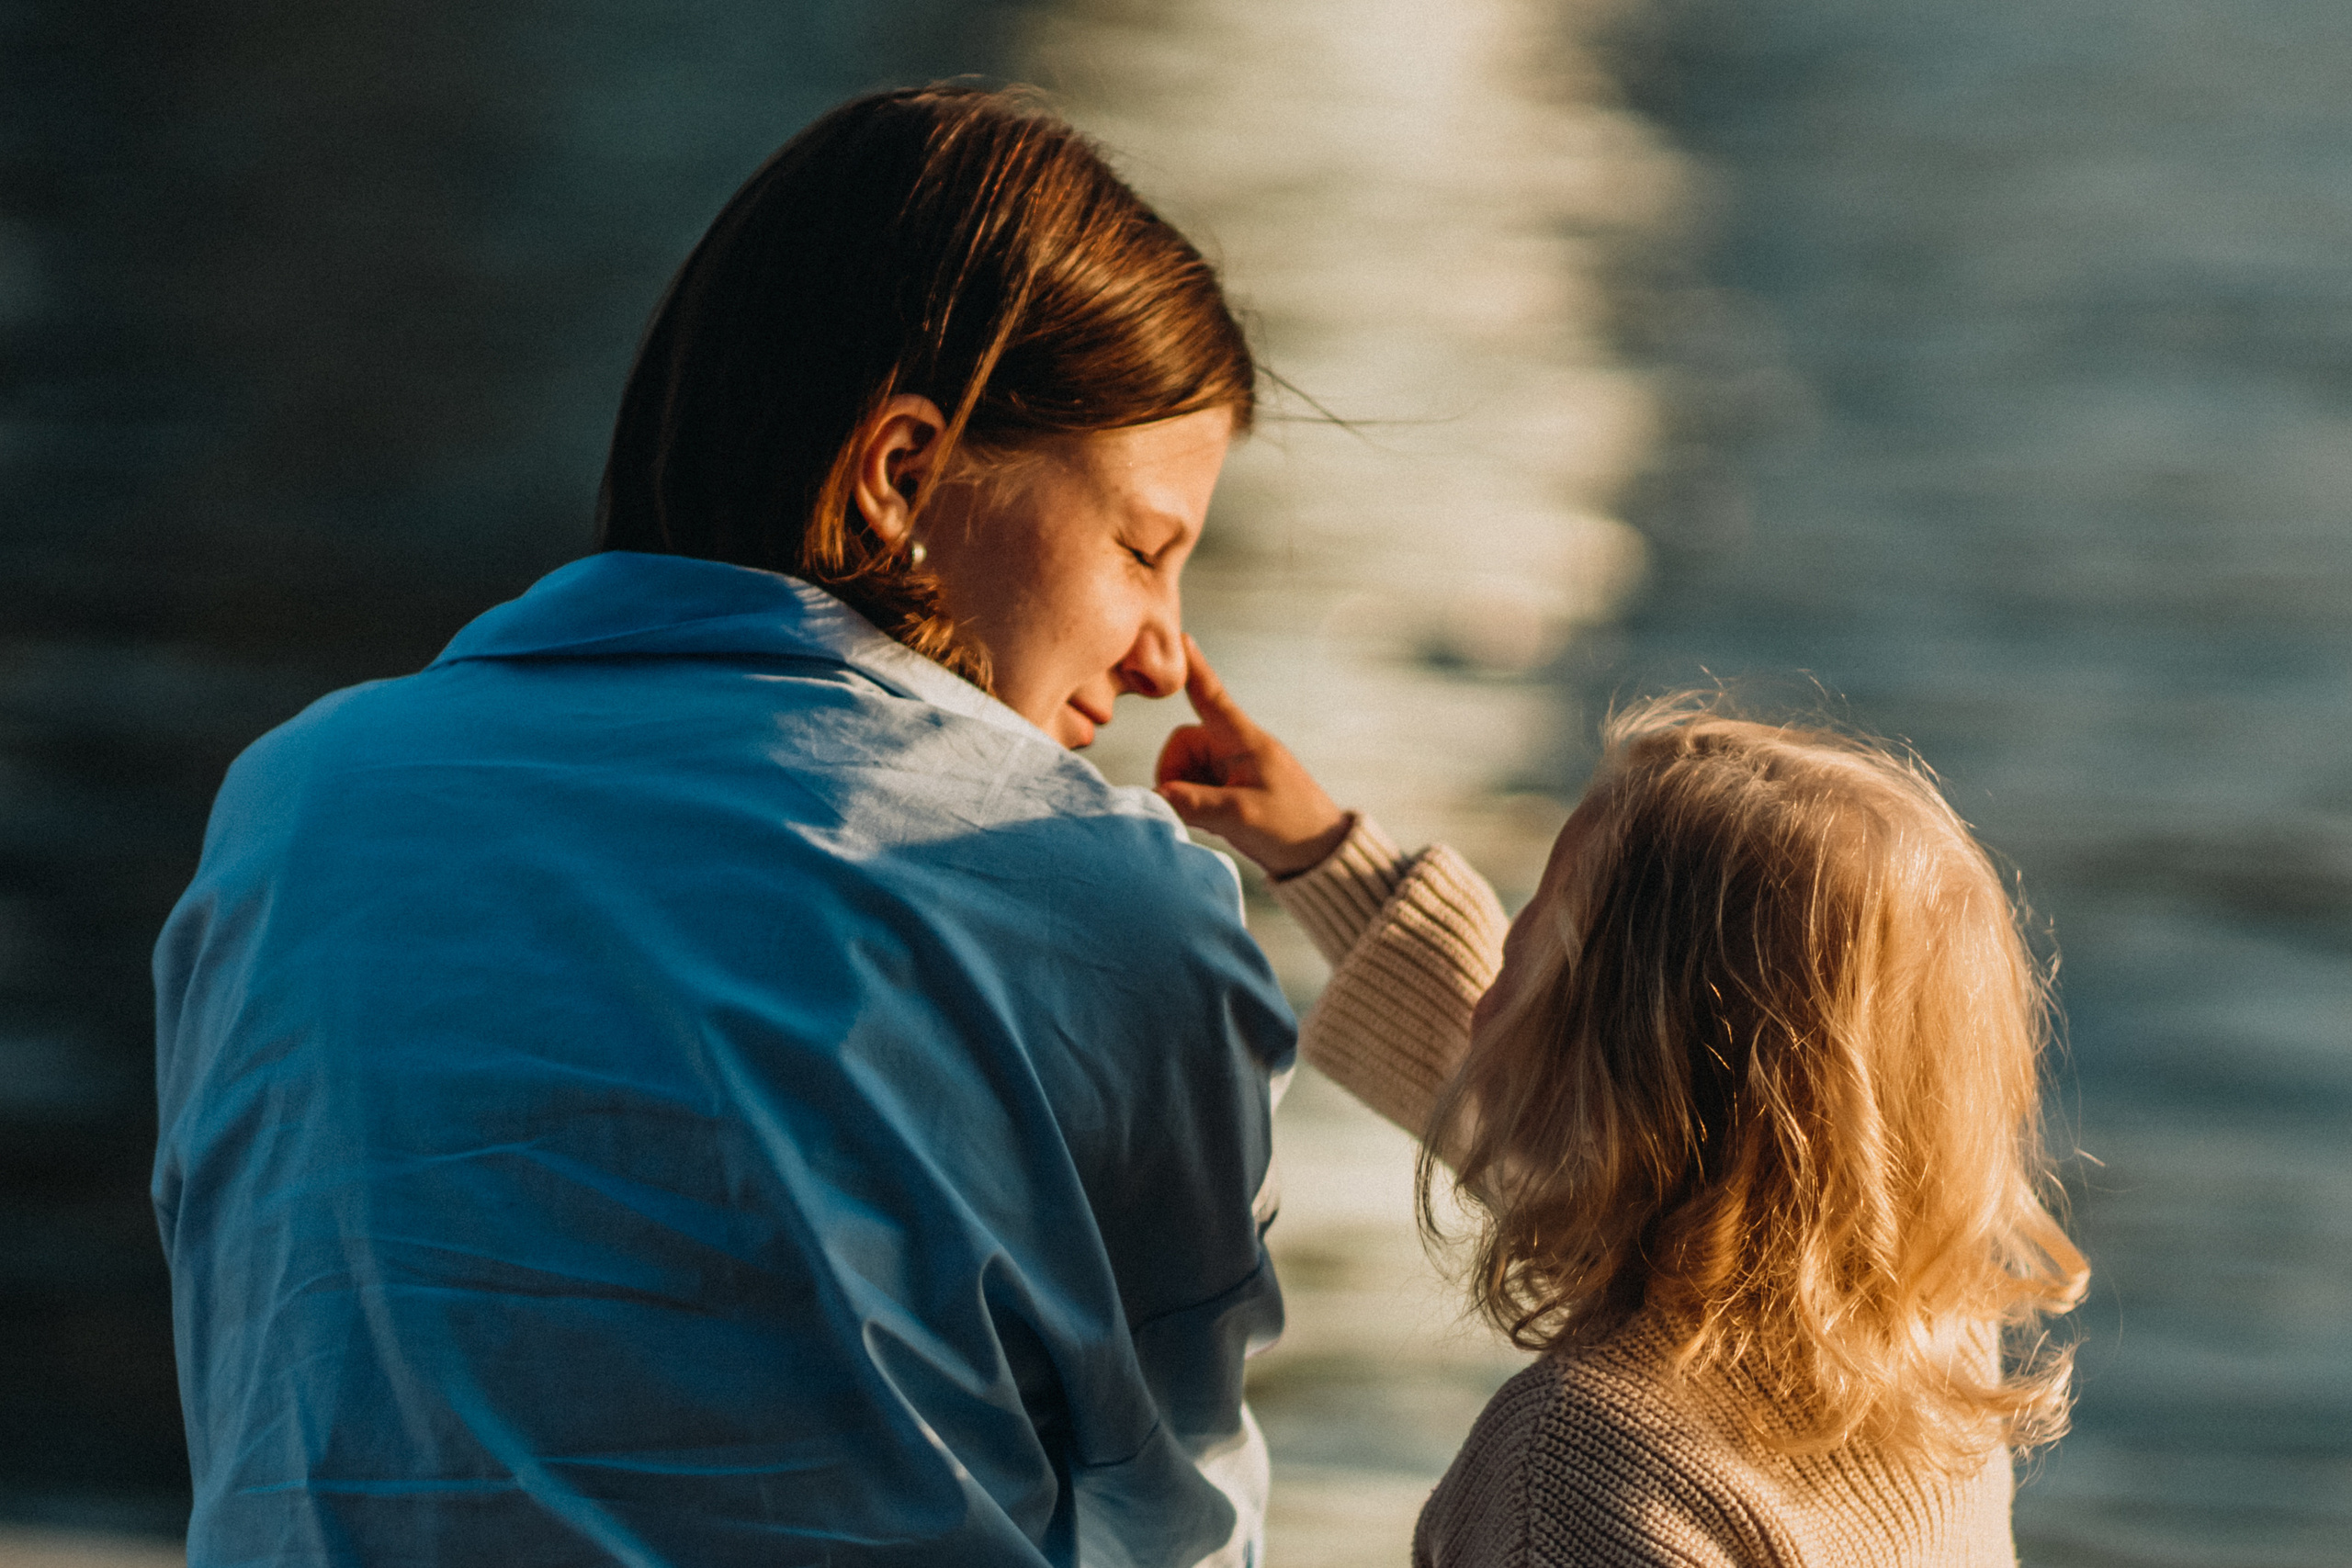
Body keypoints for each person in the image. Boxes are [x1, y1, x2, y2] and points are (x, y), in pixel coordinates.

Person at [153, 85, 1345, 1568]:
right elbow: (1169, 1514)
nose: (1166, 653)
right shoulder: (1102, 900)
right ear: (906, 471)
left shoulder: (294, 806)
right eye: (1143, 549)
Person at [1166, 690, 2090, 1566]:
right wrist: (1324, 855)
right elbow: (1534, 1099)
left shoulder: (1577, 1465)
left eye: (1531, 932)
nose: (1495, 978)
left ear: (1613, 1079)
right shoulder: (1926, 1331)